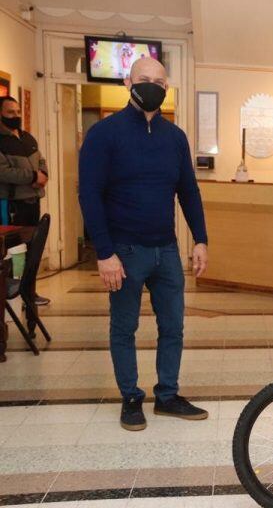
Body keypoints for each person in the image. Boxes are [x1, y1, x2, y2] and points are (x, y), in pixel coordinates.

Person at [79, 57, 209, 431]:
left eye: (158, 80)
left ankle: (167, 395)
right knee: (124, 327)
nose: (151, 85)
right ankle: (131, 397)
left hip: (166, 250)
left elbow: (188, 192)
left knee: (173, 326)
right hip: (124, 252)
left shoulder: (175, 138)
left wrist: (200, 239)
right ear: (127, 82)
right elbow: (89, 195)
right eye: (143, 79)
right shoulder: (105, 134)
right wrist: (104, 253)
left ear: (167, 87)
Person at [0, 96, 51, 305]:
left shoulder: (27, 138)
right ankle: (8, 292)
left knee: (32, 250)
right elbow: (3, 172)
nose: (16, 116)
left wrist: (43, 175)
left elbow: (41, 161)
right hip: (11, 204)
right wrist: (32, 177)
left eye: (18, 112)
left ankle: (29, 291)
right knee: (11, 251)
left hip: (33, 201)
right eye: (11, 112)